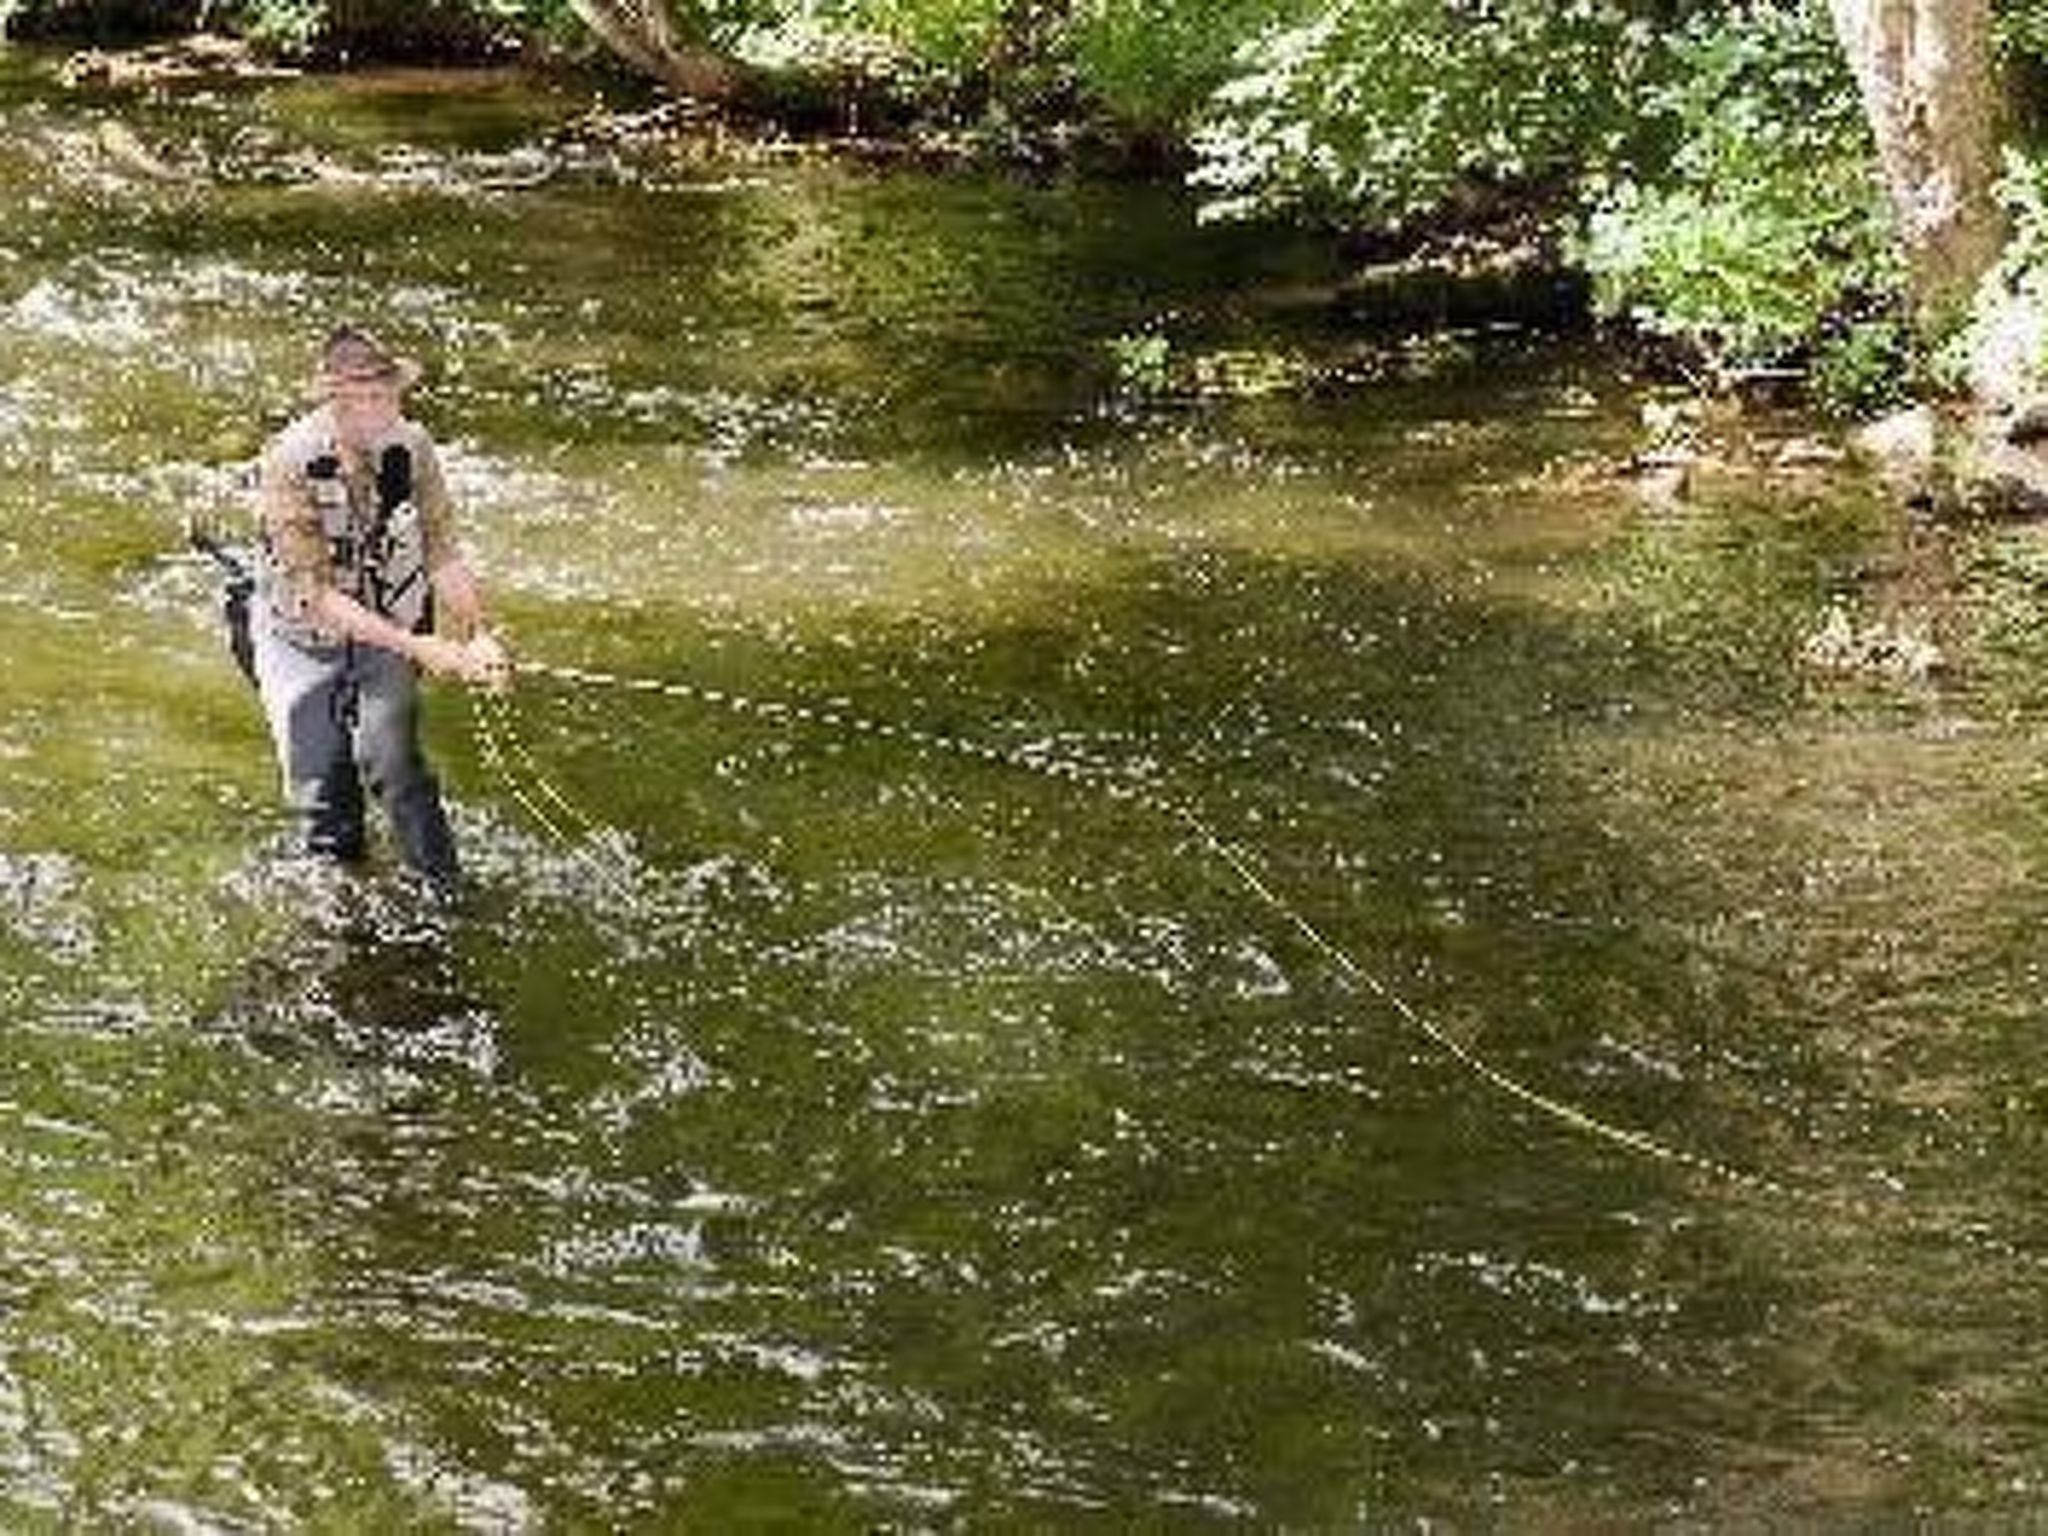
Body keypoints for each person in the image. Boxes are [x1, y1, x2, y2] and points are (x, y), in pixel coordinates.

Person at [251, 326, 509, 893]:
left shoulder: (413, 448)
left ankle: (443, 894)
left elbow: (442, 551)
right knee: (322, 792)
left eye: (383, 395)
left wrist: (478, 633)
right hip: (300, 637)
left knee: (395, 764)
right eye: (356, 398)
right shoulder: (289, 462)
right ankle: (339, 912)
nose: (373, 410)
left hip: (388, 622)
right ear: (330, 400)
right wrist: (421, 647)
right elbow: (317, 599)